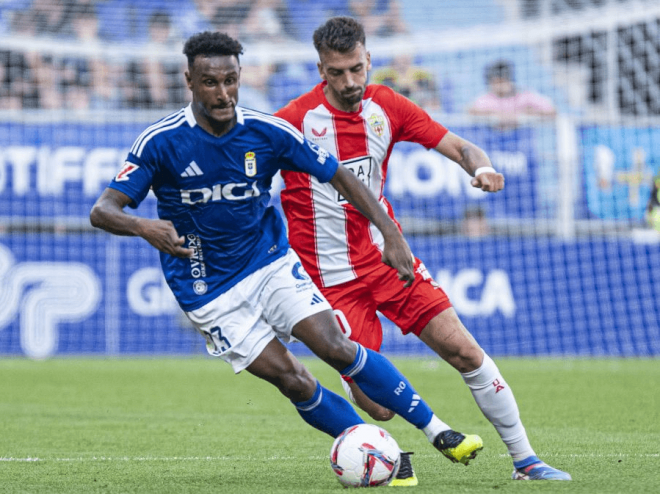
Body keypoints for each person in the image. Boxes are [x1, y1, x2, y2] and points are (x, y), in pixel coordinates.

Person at [89, 31, 484, 479]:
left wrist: (390, 233)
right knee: (292, 379)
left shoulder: (268, 131)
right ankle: (386, 454)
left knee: (336, 347)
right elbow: (103, 210)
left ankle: (439, 432)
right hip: (206, 288)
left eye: (231, 80)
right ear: (190, 82)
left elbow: (339, 175)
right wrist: (143, 226)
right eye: (211, 82)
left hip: (269, 263)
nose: (223, 93)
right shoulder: (161, 142)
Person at [274, 16, 571, 482]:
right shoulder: (294, 122)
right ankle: (381, 437)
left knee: (465, 352)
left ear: (369, 59)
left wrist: (484, 168)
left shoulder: (386, 106)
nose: (350, 82)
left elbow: (460, 146)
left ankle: (526, 461)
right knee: (379, 408)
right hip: (328, 279)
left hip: (388, 257)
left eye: (357, 68)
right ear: (321, 70)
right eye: (337, 73)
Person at [468, 59, 556, 129]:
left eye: (501, 82)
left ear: (509, 80)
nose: (498, 86)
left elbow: (551, 111)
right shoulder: (486, 98)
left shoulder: (525, 95)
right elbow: (471, 112)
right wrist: (498, 115)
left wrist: (526, 113)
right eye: (494, 83)